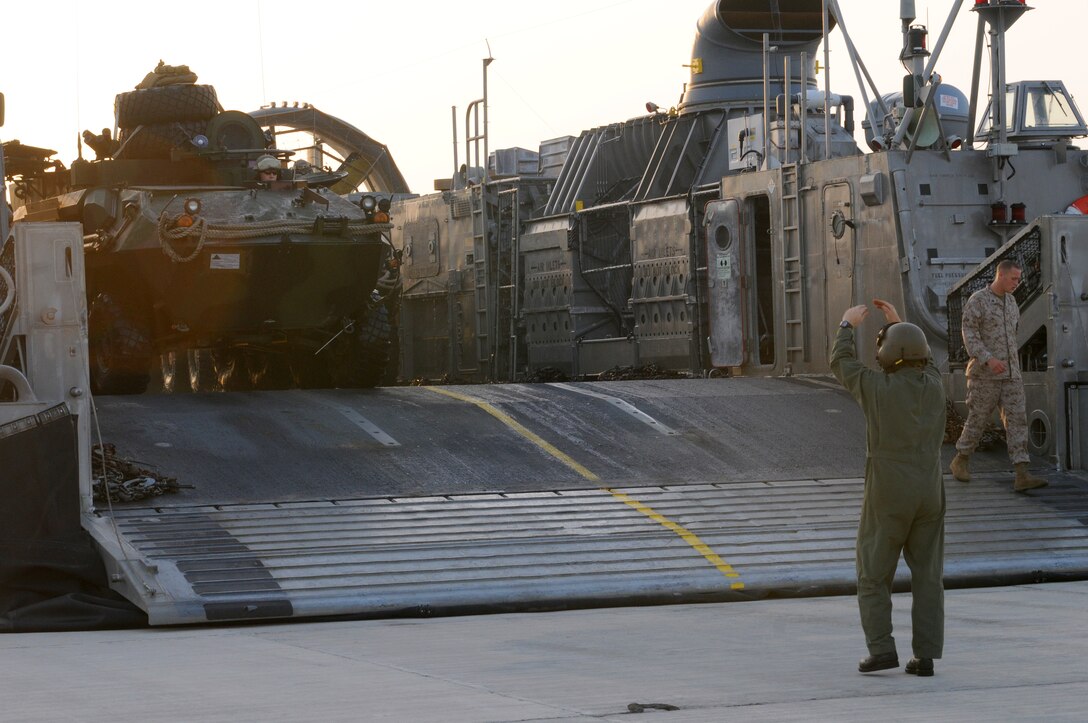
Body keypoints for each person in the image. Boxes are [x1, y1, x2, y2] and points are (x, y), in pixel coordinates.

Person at [831, 299, 946, 677]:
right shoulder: (935, 383)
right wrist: (900, 324)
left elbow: (842, 364)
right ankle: (925, 657)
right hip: (930, 490)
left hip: (888, 491)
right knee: (927, 574)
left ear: (887, 354)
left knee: (873, 572)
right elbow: (923, 359)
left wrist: (847, 326)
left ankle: (882, 650)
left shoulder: (877, 388)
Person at [950, 260, 1047, 492]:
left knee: (1017, 420)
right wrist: (988, 359)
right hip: (984, 375)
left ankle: (1022, 473)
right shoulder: (978, 301)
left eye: (1018, 278)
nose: (1017, 283)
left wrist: (1009, 364)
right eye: (1013, 278)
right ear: (1000, 275)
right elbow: (969, 335)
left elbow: (1012, 336)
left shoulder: (1012, 302)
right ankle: (960, 460)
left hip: (1011, 375)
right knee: (978, 418)